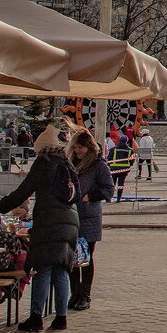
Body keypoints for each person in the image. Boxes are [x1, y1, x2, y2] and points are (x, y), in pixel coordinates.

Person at [0, 125, 80, 332]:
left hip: (48, 222)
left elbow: (24, 190)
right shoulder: (68, 164)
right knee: (61, 270)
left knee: (43, 269)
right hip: (70, 222)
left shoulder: (44, 164)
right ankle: (61, 317)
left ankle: (36, 317)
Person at [68, 125, 113, 312]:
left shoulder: (98, 165)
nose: (78, 151)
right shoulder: (70, 163)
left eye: (81, 147)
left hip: (89, 217)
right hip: (71, 215)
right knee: (70, 258)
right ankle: (74, 293)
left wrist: (90, 196)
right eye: (76, 147)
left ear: (89, 148)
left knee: (85, 257)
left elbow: (108, 189)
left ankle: (85, 295)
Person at [107, 131, 135, 202]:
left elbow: (109, 159)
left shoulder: (113, 149)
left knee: (112, 184)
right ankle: (118, 199)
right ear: (127, 141)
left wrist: (110, 166)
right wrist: (129, 167)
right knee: (121, 184)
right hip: (124, 170)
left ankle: (109, 198)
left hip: (114, 169)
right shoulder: (130, 150)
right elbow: (132, 161)